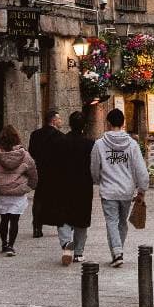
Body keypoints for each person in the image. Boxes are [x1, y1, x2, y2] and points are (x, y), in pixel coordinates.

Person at [90, 107, 149, 267]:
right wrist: (141, 190)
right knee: (121, 222)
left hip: (108, 190)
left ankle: (117, 253)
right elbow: (140, 169)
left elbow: (95, 167)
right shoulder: (132, 144)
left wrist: (97, 180)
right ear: (123, 123)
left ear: (108, 123)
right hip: (126, 191)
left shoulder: (100, 144)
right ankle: (118, 252)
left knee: (111, 221)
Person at [0, 125, 38, 256]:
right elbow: (32, 171)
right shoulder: (24, 154)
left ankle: (4, 244)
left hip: (2, 191)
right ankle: (11, 245)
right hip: (18, 191)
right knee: (14, 220)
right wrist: (30, 186)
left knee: (4, 219)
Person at [57, 111, 94, 265]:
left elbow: (55, 164)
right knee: (81, 218)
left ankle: (66, 243)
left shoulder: (61, 141)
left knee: (64, 215)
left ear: (69, 124)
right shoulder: (90, 143)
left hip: (64, 183)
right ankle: (78, 252)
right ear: (84, 125)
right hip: (84, 184)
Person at [28, 108, 64, 238]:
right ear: (53, 121)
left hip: (40, 170)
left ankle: (37, 226)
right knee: (58, 198)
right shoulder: (60, 137)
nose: (61, 121)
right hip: (55, 172)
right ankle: (59, 223)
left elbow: (31, 153)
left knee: (39, 198)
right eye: (59, 119)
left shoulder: (35, 134)